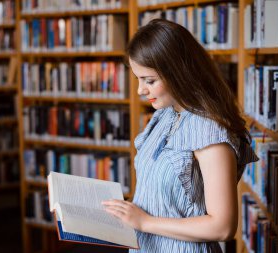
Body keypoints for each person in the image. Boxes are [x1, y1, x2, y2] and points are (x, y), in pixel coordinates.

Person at [102, 19, 258, 252]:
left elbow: (223, 226)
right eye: (138, 79)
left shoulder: (209, 131)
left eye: (149, 81)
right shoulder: (163, 115)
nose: (140, 90)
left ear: (178, 73)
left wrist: (145, 221)